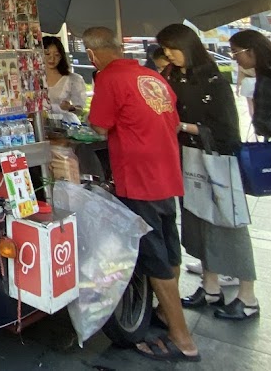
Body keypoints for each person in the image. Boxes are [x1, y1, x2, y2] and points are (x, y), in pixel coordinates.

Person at [84, 26, 199, 362]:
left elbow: (99, 126)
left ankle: (182, 339)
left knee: (153, 258)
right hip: (166, 175)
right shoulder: (153, 77)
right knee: (169, 249)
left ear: (92, 55)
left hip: (138, 179)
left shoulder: (108, 79)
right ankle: (167, 314)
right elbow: (171, 121)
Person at [156, 23, 258, 321]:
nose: (168, 55)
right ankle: (209, 286)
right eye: (164, 49)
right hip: (186, 157)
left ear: (187, 46)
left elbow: (227, 130)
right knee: (196, 221)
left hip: (216, 158)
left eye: (172, 48)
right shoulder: (172, 76)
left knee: (228, 224)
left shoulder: (213, 78)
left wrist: (185, 127)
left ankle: (247, 296)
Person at [229, 29, 271, 304]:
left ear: (250, 51)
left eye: (236, 54)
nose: (236, 61)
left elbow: (266, 125)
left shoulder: (269, 80)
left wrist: (251, 95)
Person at [42, 36, 87, 116]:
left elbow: (79, 110)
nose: (52, 58)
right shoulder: (32, 79)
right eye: (47, 54)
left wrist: (69, 107)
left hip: (64, 124)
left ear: (61, 57)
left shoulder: (72, 80)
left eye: (56, 55)